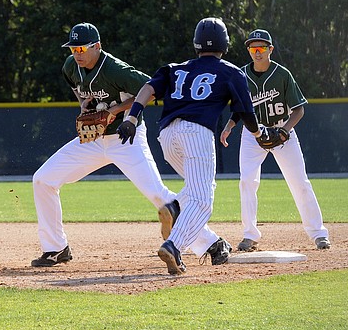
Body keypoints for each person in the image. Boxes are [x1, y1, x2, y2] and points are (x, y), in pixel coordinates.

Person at [117, 18, 262, 275]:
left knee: (199, 189)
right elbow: (247, 113)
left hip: (168, 136)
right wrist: (258, 133)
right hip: (197, 134)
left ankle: (174, 208)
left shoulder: (175, 68)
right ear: (225, 45)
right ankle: (174, 246)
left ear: (196, 44)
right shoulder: (231, 72)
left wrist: (131, 117)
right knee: (204, 201)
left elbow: (148, 88)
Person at [31, 22, 182, 267]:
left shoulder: (116, 70)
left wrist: (116, 110)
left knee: (158, 195)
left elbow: (153, 88)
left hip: (126, 139)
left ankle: (212, 243)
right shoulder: (71, 67)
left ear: (97, 47)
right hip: (93, 140)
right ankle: (56, 249)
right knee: (43, 179)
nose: (77, 54)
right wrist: (83, 104)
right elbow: (78, 89)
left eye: (82, 49)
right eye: (73, 49)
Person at [220, 29, 330, 252]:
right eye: (253, 48)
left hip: (282, 130)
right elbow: (240, 109)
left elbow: (298, 110)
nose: (257, 52)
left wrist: (285, 131)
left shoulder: (282, 75)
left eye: (261, 48)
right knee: (247, 182)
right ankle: (250, 235)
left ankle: (318, 233)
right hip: (253, 134)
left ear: (270, 50)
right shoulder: (241, 75)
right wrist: (230, 126)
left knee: (299, 182)